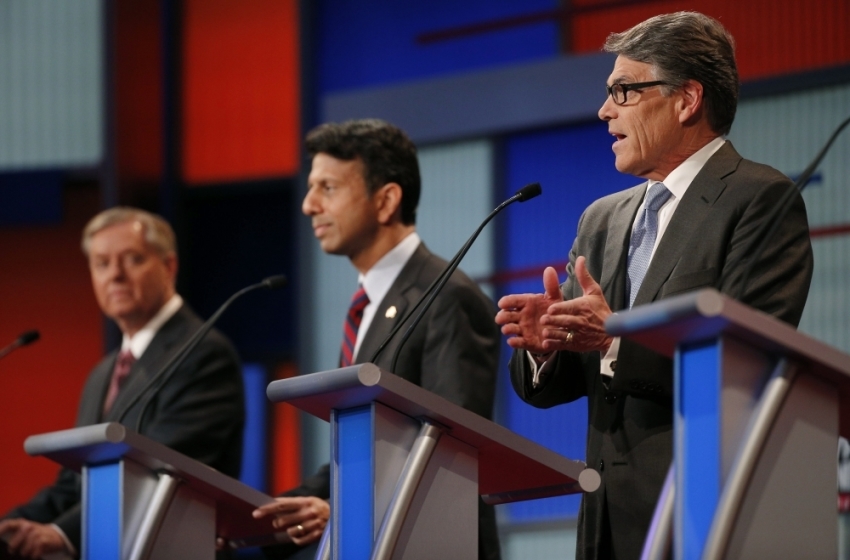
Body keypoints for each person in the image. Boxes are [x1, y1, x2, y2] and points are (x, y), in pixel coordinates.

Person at [495, 12, 813, 560]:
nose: (604, 110)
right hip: (604, 523)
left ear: (687, 99)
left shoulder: (760, 199)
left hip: (703, 514)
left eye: (624, 91)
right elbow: (562, 381)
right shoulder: (601, 219)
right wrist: (548, 348)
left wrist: (612, 339)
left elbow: (744, 365)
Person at [253, 119, 501, 560]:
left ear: (386, 200)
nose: (309, 205)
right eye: (311, 188)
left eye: (327, 188)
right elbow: (365, 449)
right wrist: (268, 517)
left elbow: (448, 452)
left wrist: (339, 508)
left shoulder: (447, 296)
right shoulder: (367, 304)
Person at [0, 207, 245, 559]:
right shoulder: (103, 372)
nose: (115, 275)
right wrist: (13, 527)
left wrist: (59, 533)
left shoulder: (203, 354)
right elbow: (74, 484)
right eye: (101, 263)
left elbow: (152, 478)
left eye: (132, 259)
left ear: (169, 266)